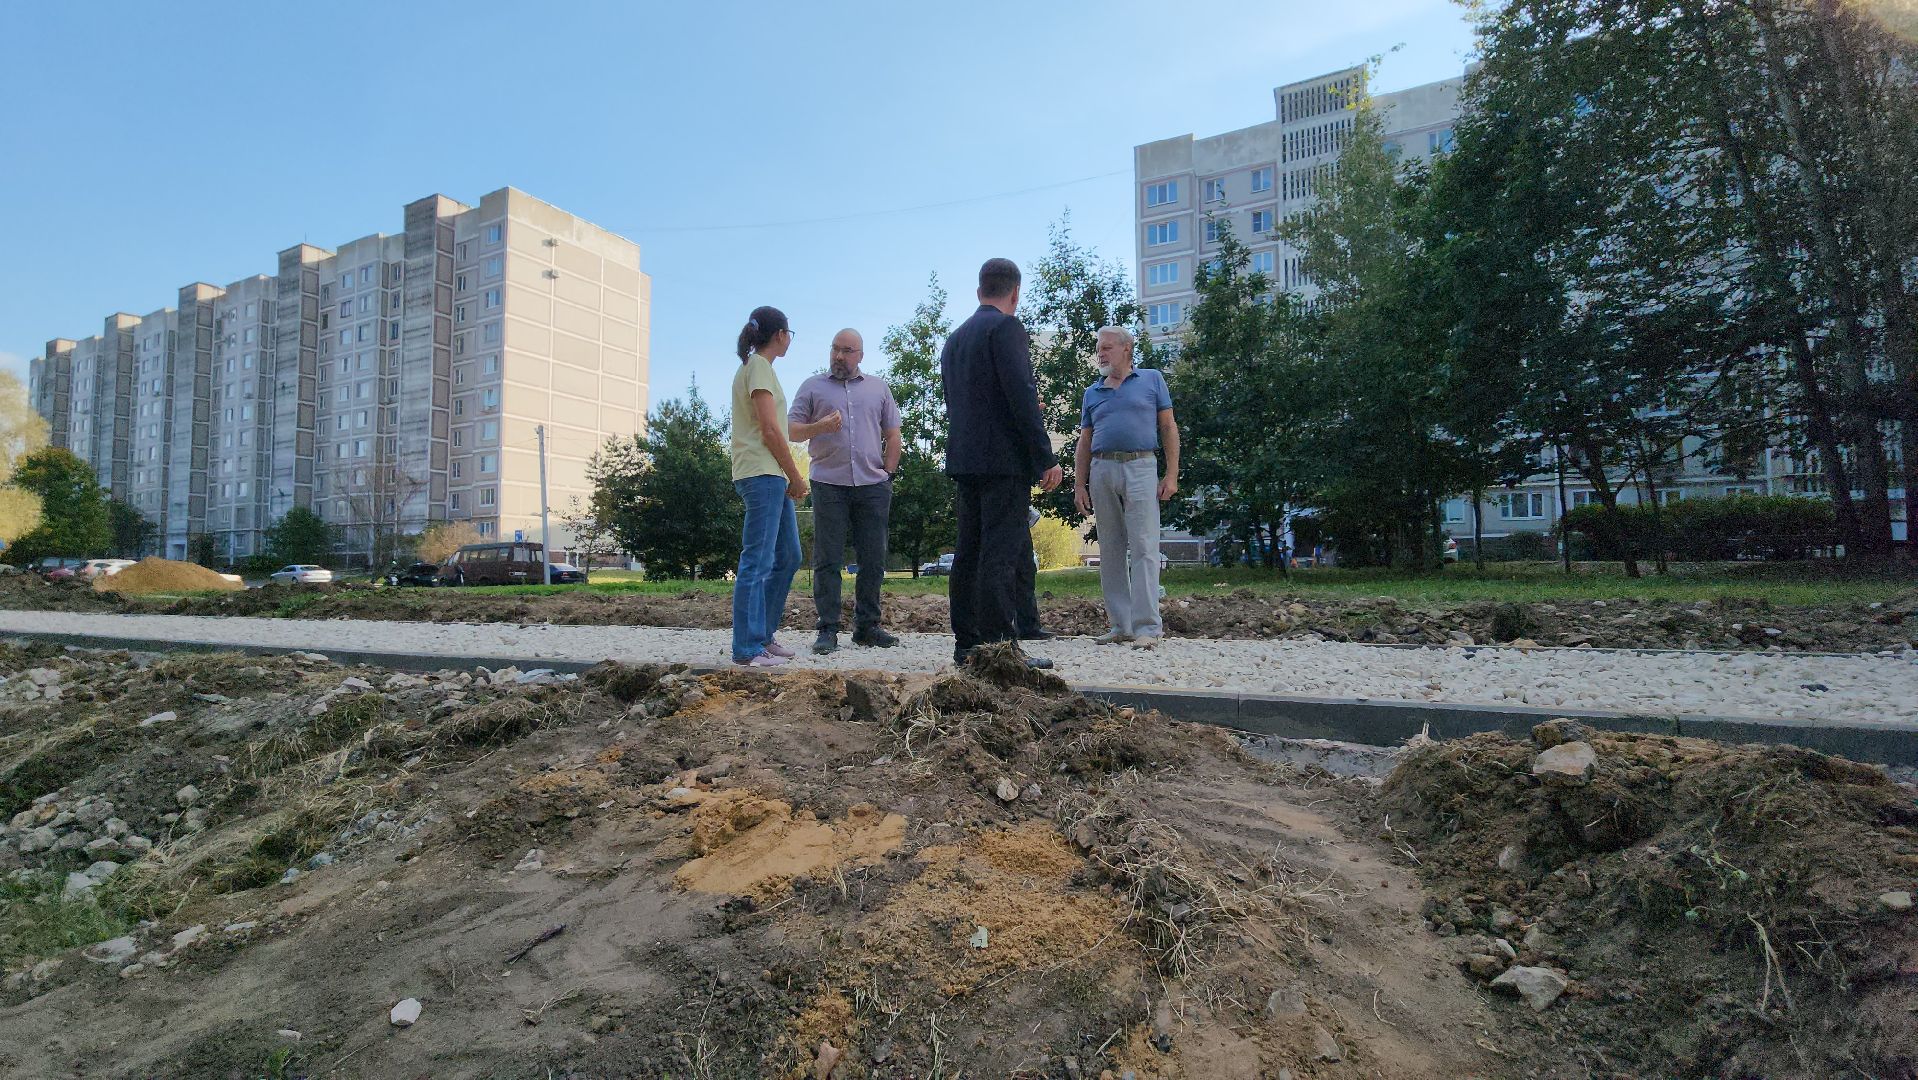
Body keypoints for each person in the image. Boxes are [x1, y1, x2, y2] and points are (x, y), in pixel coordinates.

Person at [940, 258, 1062, 667]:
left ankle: (967, 646)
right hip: (1003, 461)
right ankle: (1000, 650)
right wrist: (1044, 456)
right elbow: (1021, 394)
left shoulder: (955, 339)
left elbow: (962, 401)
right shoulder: (1007, 327)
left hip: (965, 456)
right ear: (1015, 293)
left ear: (979, 291)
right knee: (1000, 552)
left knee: (968, 551)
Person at [789, 328, 902, 654]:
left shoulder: (879, 388)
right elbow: (792, 430)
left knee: (873, 560)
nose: (839, 356)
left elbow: (893, 435)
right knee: (827, 560)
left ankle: (867, 627)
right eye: (835, 349)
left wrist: (888, 475)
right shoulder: (812, 387)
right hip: (828, 484)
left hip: (872, 486)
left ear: (860, 356)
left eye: (847, 350)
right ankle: (827, 630)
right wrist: (819, 427)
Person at [1073, 325, 1179, 647]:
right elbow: (1084, 441)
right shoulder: (1092, 393)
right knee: (1111, 549)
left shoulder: (1151, 380)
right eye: (1098, 349)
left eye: (1106, 348)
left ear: (1126, 349)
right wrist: (1080, 485)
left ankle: (1147, 629)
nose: (1100, 353)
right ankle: (1121, 626)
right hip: (1102, 469)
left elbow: (1168, 426)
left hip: (1141, 465)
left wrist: (1171, 475)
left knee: (1145, 547)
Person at [729, 306, 806, 667]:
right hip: (762, 473)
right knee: (757, 561)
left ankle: (762, 636)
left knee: (789, 555)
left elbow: (784, 429)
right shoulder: (758, 366)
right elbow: (770, 430)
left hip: (771, 473)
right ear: (781, 335)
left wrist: (819, 428)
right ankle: (747, 647)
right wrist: (795, 474)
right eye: (790, 334)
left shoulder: (762, 369)